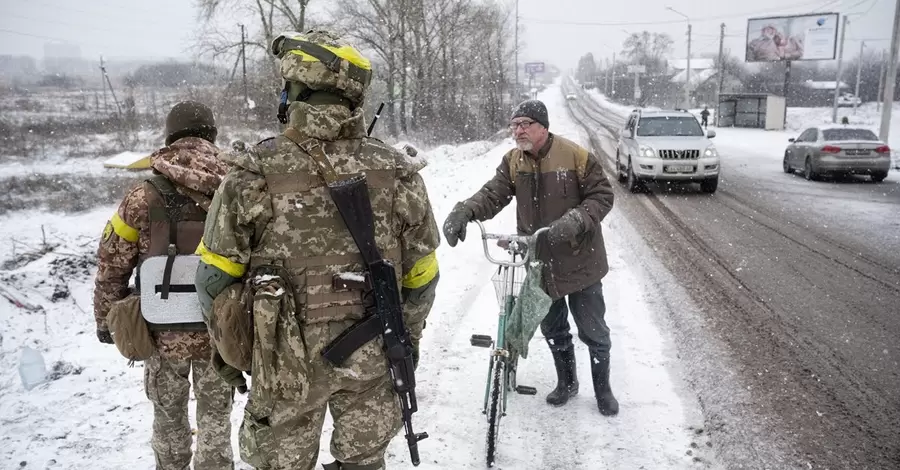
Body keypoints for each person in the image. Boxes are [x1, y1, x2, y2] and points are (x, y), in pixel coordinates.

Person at [194, 30, 441, 470]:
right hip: (373, 358)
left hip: (282, 364)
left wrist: (234, 355)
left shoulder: (253, 175)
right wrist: (407, 340)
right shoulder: (397, 173)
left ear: (294, 91)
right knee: (364, 463)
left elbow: (213, 280)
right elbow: (422, 276)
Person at [442, 99, 619, 416]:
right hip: (540, 263)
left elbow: (602, 195)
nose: (518, 130)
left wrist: (576, 221)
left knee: (593, 330)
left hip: (582, 260)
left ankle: (603, 390)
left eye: (525, 124)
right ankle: (567, 382)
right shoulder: (513, 161)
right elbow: (494, 193)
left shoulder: (575, 156)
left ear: (543, 126)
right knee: (554, 328)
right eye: (514, 125)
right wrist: (465, 209)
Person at [92, 101, 235, 469]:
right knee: (216, 420)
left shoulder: (142, 194)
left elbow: (112, 263)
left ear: (170, 135)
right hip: (219, 328)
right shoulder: (236, 187)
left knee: (168, 418)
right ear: (212, 134)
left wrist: (105, 317)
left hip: (160, 328)